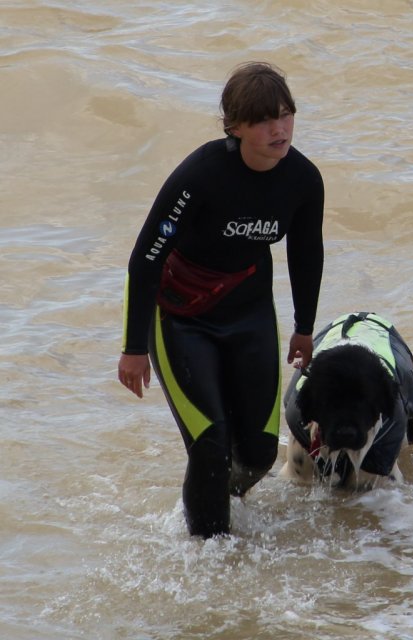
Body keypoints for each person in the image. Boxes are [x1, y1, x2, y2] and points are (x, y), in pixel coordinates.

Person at [117, 62, 325, 538]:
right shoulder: (202, 176)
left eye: (286, 115)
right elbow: (146, 258)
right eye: (264, 121)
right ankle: (207, 550)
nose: (279, 129)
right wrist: (133, 346)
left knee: (256, 455)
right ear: (235, 127)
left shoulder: (303, 180)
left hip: (249, 315)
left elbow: (307, 254)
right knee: (210, 442)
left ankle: (207, 505)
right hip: (182, 319)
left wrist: (305, 326)